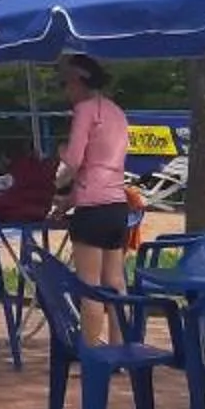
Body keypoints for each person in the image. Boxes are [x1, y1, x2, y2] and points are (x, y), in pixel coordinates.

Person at [49, 52, 134, 342]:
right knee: (116, 283)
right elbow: (102, 169)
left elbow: (74, 161)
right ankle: (121, 351)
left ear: (78, 82)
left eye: (65, 84)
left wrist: (54, 184)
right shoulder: (118, 113)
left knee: (90, 288)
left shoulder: (86, 111)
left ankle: (91, 356)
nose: (64, 91)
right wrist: (69, 201)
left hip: (92, 212)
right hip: (117, 207)